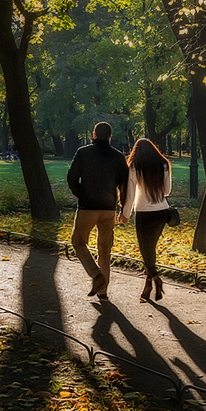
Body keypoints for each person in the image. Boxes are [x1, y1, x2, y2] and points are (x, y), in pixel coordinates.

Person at [67, 122, 128, 299]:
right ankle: (103, 291)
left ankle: (96, 275)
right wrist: (120, 204)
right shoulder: (118, 156)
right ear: (110, 136)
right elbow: (124, 183)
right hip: (109, 208)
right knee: (105, 249)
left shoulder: (83, 152)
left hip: (87, 206)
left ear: (94, 134)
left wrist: (81, 194)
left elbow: (72, 178)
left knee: (78, 242)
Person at [118, 137, 172, 302]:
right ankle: (148, 284)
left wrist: (125, 213)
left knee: (145, 249)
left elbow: (130, 194)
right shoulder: (164, 165)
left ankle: (155, 278)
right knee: (151, 248)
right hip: (162, 211)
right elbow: (167, 191)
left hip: (143, 212)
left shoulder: (134, 167)